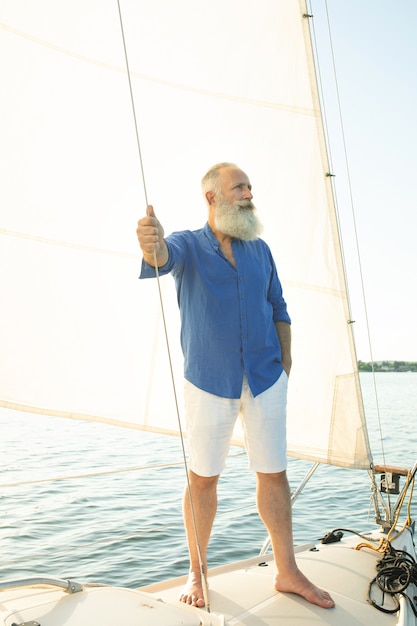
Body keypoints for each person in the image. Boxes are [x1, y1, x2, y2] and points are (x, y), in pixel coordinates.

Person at [136, 162, 335, 610]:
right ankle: (197, 571)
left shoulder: (260, 249)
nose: (248, 193)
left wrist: (285, 360)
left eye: (248, 186)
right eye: (239, 187)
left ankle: (287, 571)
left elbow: (279, 306)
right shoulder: (188, 244)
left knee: (274, 474)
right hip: (209, 382)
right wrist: (151, 243)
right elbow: (162, 258)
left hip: (266, 379)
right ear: (213, 197)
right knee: (203, 479)